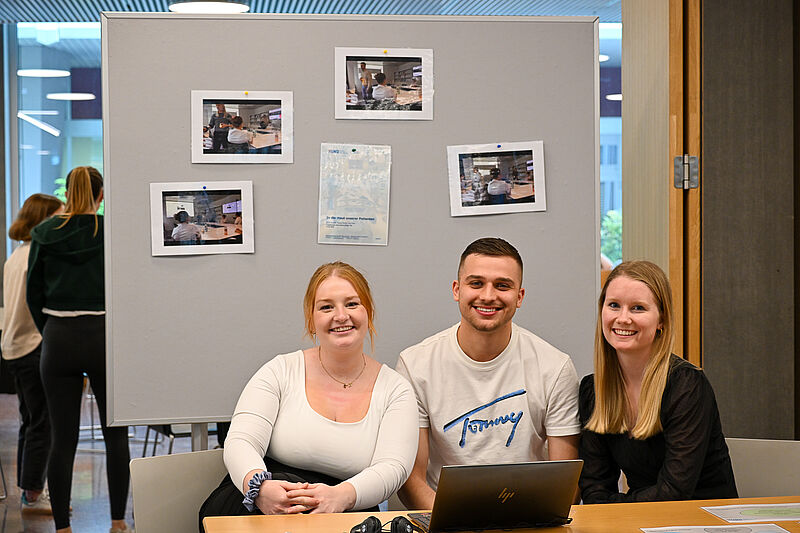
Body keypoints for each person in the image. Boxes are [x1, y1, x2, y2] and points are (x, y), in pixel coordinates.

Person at [199, 261, 417, 528]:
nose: (341, 316)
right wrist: (260, 488)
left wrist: (341, 496)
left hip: (345, 510)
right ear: (311, 320)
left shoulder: (396, 390)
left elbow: (393, 467)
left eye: (352, 304)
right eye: (326, 307)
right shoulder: (280, 370)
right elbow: (241, 441)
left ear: (368, 313)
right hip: (259, 501)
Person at [396, 237, 581, 511]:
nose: (488, 296)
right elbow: (411, 481)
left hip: (529, 516)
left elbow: (567, 483)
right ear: (457, 290)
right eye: (476, 283)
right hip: (445, 518)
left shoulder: (555, 368)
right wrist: (455, 521)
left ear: (519, 297)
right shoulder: (416, 365)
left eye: (502, 285)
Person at [27, 166, 132, 533]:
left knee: (62, 439)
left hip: (59, 337)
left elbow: (33, 293)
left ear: (67, 194)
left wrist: (50, 331)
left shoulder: (44, 232)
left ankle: (62, 527)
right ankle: (118, 522)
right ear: (101, 195)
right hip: (103, 335)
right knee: (115, 435)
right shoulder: (111, 231)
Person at [579, 260, 737, 503]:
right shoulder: (593, 389)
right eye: (614, 305)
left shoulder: (687, 385)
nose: (623, 318)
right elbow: (593, 489)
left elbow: (674, 492)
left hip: (701, 517)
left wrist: (613, 507)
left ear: (661, 320)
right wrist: (612, 511)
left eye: (638, 308)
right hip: (640, 517)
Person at [2, 193, 64, 514]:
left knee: (31, 421)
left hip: (15, 348)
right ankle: (33, 494)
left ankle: (29, 490)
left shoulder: (17, 255)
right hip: (32, 347)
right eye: (58, 217)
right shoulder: (35, 257)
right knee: (43, 423)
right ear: (42, 220)